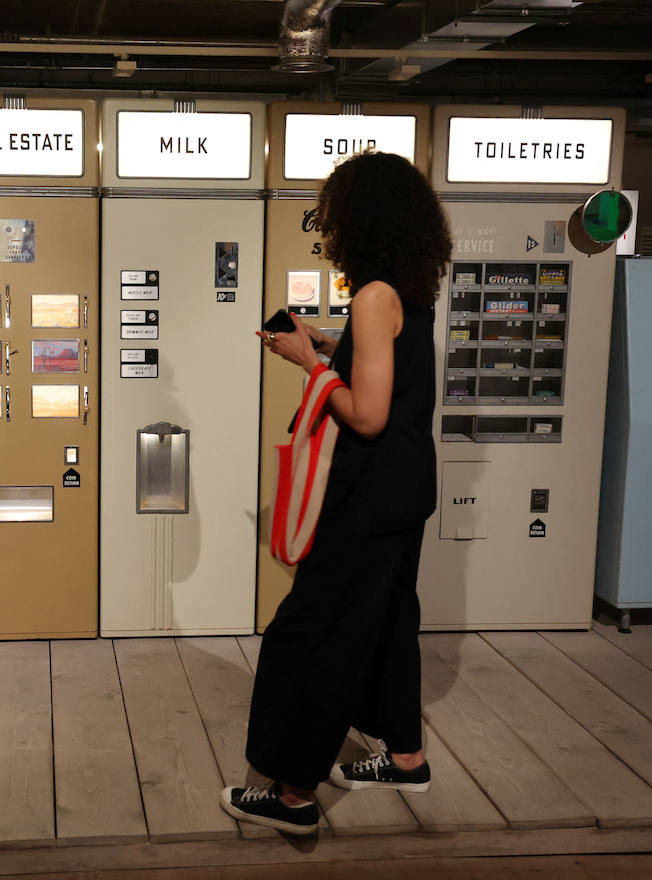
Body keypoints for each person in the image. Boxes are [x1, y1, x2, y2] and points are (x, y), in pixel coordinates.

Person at [221, 151, 452, 835]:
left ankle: (292, 796)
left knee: (313, 633)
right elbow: (389, 374)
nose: (327, 231)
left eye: (333, 218)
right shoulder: (409, 291)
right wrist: (327, 342)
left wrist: (309, 366)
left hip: (368, 495)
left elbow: (368, 413)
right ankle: (405, 756)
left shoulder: (376, 295)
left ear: (361, 220)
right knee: (386, 621)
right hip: (408, 490)